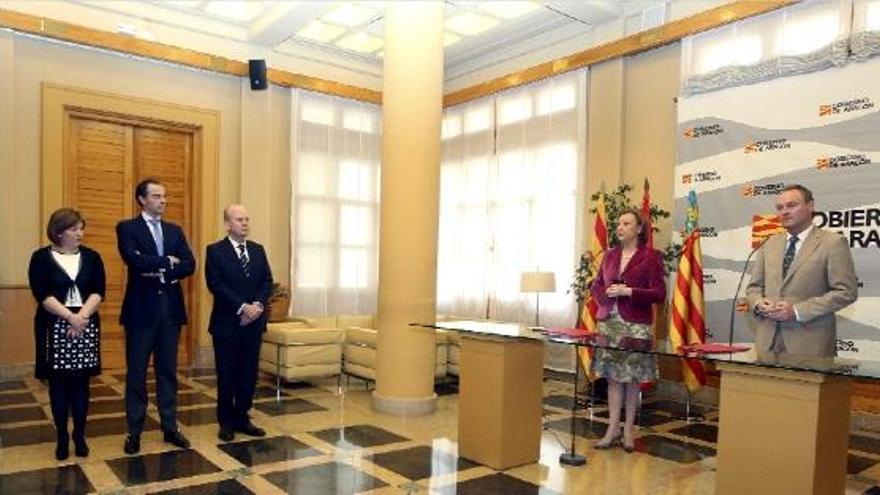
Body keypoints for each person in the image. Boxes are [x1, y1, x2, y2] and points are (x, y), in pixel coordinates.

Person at [117, 178, 195, 454]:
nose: (163, 200)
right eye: (157, 196)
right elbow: (134, 261)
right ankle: (134, 432)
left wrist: (160, 270)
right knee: (136, 374)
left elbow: (189, 264)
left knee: (168, 373)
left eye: (165, 196)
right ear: (142, 199)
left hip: (170, 313)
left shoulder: (175, 231)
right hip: (140, 313)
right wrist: (166, 262)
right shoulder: (127, 228)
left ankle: (170, 428)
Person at [28, 208, 105, 460]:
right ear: (59, 232)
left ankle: (79, 436)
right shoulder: (40, 258)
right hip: (54, 326)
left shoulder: (93, 257)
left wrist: (80, 316)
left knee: (81, 385)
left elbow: (98, 291)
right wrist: (69, 317)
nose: (80, 233)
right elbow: (42, 294)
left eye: (81, 228)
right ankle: (62, 437)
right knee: (58, 386)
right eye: (74, 229)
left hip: (85, 325)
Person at [746, 184, 858, 358]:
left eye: (791, 205)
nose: (784, 212)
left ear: (810, 206)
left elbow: (846, 292)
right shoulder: (769, 243)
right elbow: (753, 288)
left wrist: (798, 310)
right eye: (780, 208)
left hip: (810, 347)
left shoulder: (833, 243)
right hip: (766, 345)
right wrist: (759, 303)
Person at [589, 208, 666, 452]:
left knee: (631, 379)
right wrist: (605, 296)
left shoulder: (651, 256)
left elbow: (659, 293)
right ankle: (612, 428)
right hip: (609, 323)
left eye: (626, 223)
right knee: (613, 377)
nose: (620, 227)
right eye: (618, 223)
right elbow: (597, 284)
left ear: (639, 229)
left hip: (635, 325)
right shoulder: (609, 255)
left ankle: (629, 431)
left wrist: (629, 291)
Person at [205, 204, 273, 442]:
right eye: (239, 220)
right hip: (227, 324)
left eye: (247, 219)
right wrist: (242, 308)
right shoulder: (215, 251)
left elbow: (266, 281)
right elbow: (216, 284)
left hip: (254, 324)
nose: (244, 223)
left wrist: (257, 307)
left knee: (248, 373)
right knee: (227, 374)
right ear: (227, 224)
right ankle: (226, 422)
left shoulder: (257, 250)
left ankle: (243, 417)